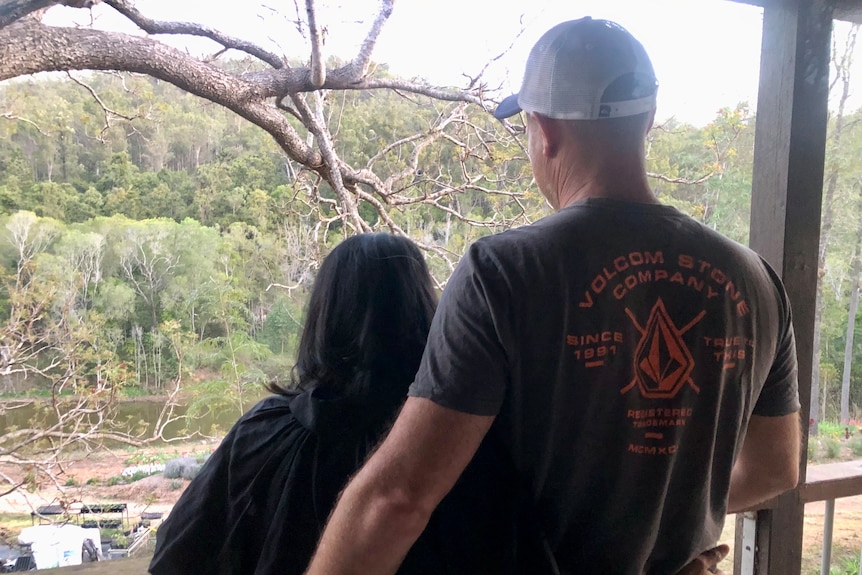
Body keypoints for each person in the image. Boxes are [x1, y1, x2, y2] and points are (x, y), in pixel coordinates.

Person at [304, 17, 801, 575]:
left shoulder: (502, 272)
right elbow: (776, 469)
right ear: (649, 121)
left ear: (545, 130)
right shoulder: (756, 281)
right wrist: (671, 508)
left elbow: (399, 498)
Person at [149, 233, 462, 575]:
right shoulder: (459, 441)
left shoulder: (262, 434)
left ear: (323, 317)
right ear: (423, 312)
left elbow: (178, 557)